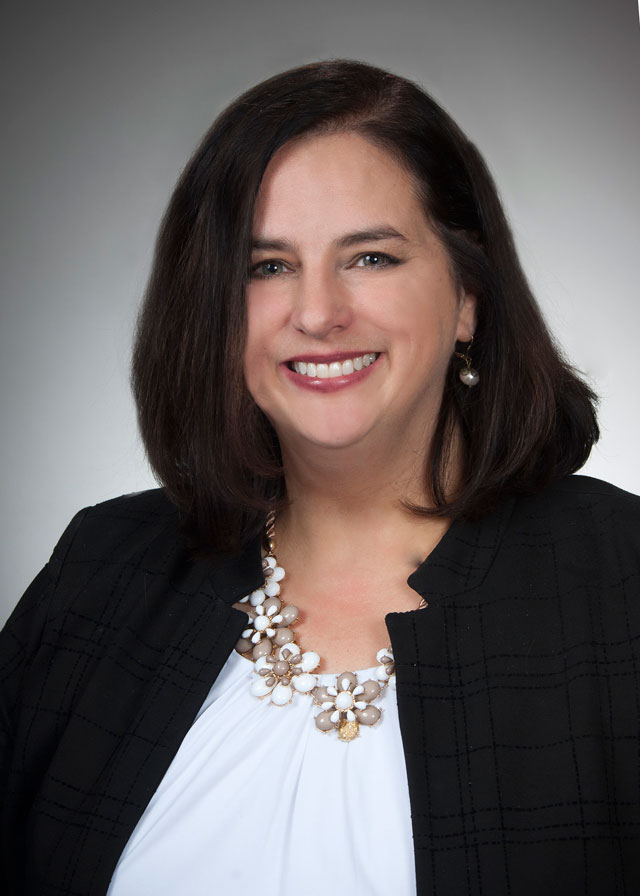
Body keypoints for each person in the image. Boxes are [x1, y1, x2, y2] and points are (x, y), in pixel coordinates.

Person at [1, 60, 639, 896]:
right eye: (266, 267)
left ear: (469, 298)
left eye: (370, 256)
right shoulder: (102, 569)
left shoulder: (621, 578)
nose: (316, 311)